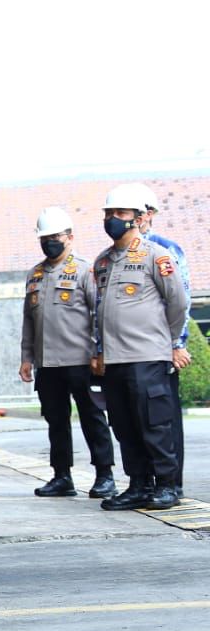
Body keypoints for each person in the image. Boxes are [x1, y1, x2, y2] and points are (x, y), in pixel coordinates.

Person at [92, 185, 190, 511]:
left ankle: (166, 486)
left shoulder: (155, 255)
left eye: (119, 214)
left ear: (137, 217)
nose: (112, 219)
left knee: (155, 425)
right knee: (124, 426)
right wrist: (99, 350)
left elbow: (178, 302)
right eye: (109, 214)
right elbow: (99, 310)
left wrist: (168, 341)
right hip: (115, 360)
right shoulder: (103, 262)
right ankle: (137, 485)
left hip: (147, 356)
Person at [18, 206, 116, 498]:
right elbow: (28, 320)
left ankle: (104, 475)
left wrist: (100, 352)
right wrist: (26, 357)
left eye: (55, 236)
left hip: (81, 361)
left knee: (92, 418)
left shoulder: (86, 270)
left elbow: (100, 315)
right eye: (44, 237)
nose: (49, 242)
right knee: (55, 421)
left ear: (70, 237)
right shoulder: (34, 274)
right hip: (47, 363)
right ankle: (62, 476)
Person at [133, 184, 192, 497]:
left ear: (150, 215)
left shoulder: (166, 250)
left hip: (162, 349)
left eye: (139, 213)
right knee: (136, 420)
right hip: (131, 353)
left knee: (164, 419)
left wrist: (177, 343)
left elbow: (180, 300)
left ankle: (172, 483)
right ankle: (143, 482)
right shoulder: (115, 256)